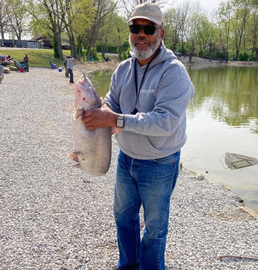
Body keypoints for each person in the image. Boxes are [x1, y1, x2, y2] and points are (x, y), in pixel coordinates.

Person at [70, 2, 195, 270]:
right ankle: (127, 265)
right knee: (123, 217)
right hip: (126, 159)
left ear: (160, 33)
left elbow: (165, 122)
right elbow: (111, 106)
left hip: (160, 163)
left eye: (148, 28)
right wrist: (92, 123)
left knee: (154, 228)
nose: (141, 33)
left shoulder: (174, 73)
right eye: (135, 27)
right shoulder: (122, 69)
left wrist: (114, 119)